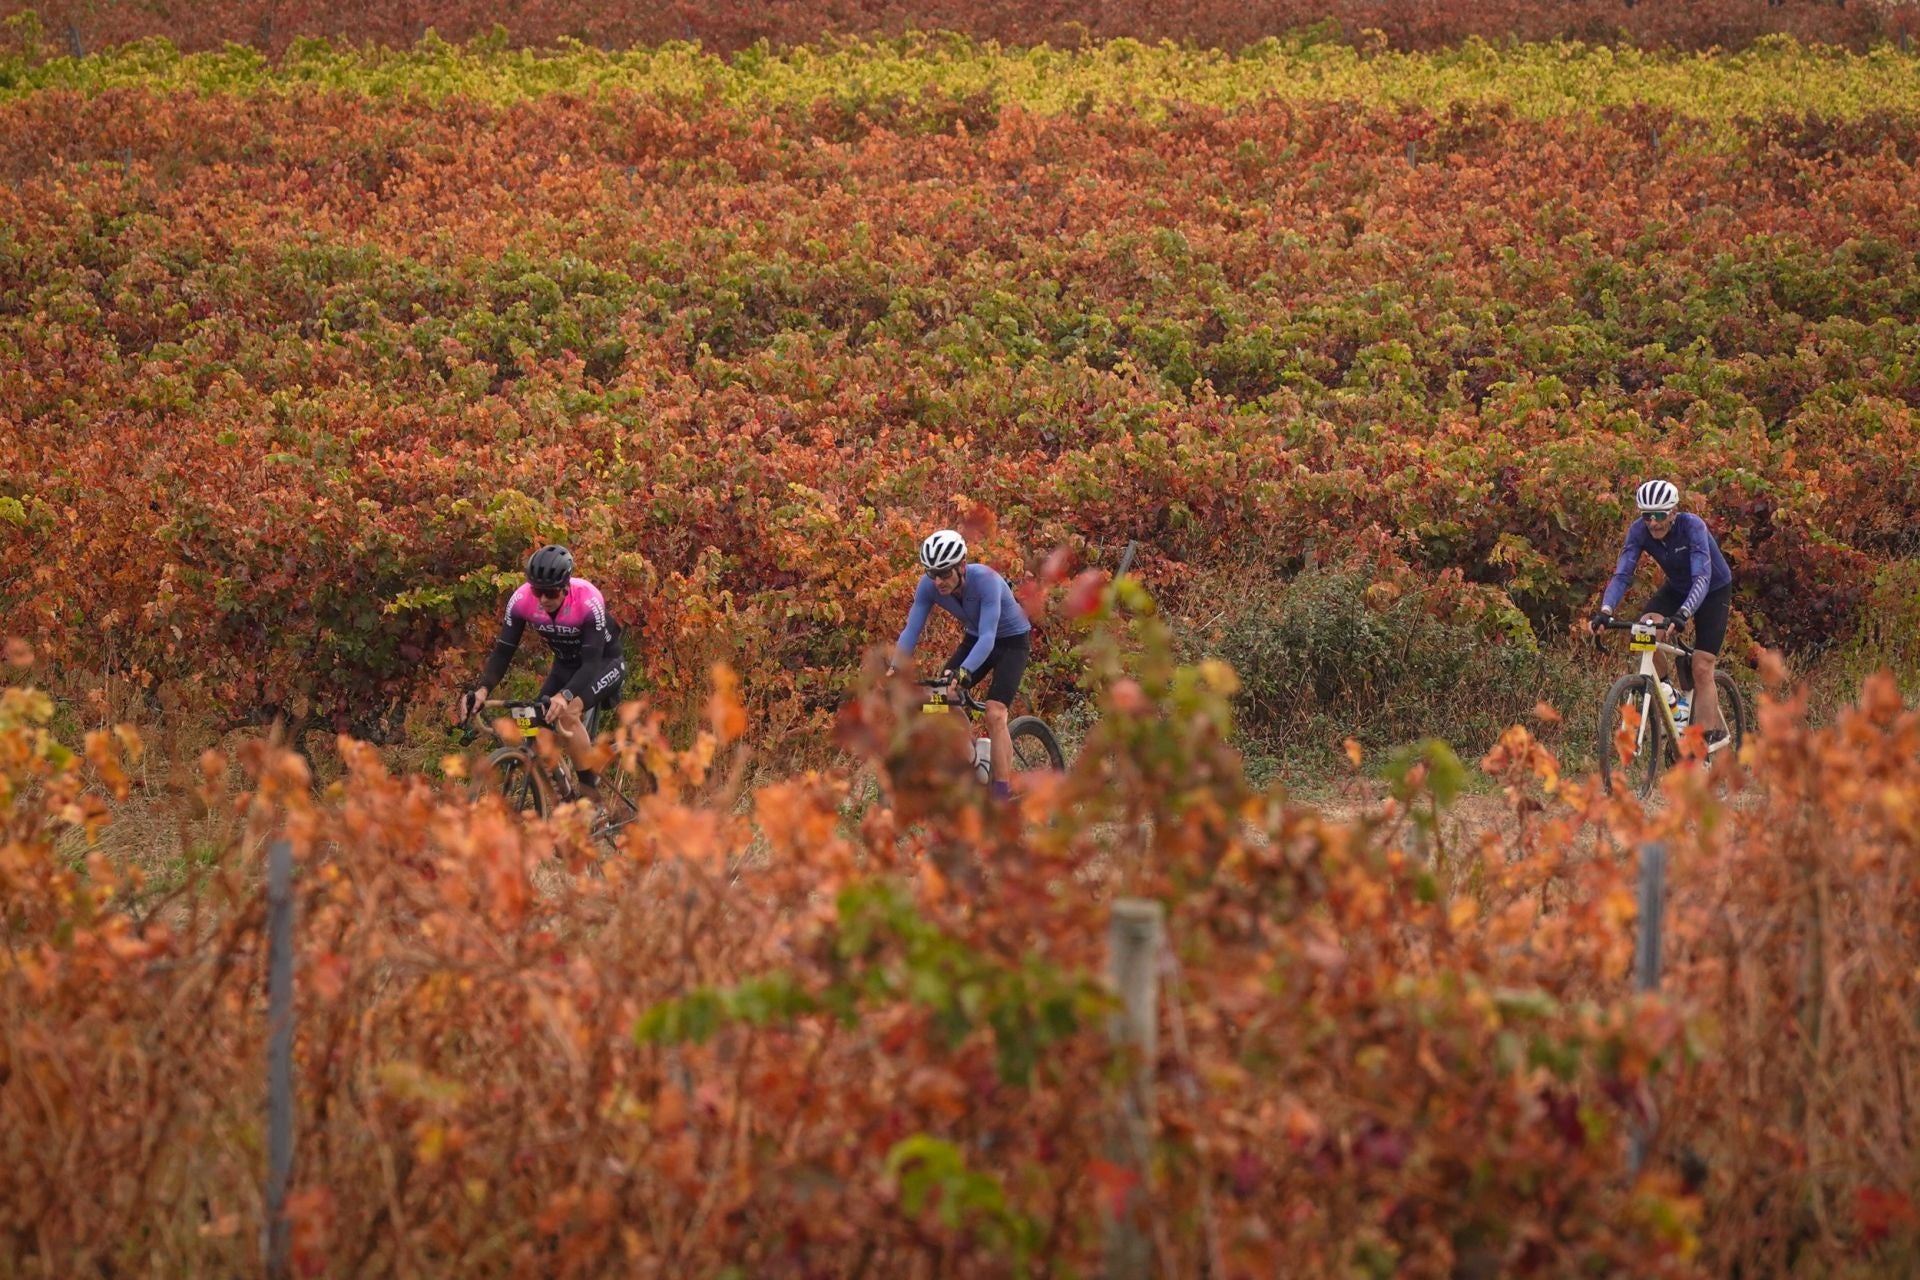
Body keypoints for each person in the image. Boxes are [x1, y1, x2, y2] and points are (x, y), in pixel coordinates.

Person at [454, 544, 626, 804]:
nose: (543, 599)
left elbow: (590, 664)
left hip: (603, 663)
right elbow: (503, 651)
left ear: (566, 587)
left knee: (567, 714)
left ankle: (593, 802)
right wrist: (482, 690)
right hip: (565, 664)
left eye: (550, 592)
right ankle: (565, 796)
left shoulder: (588, 600)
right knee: (535, 720)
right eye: (537, 591)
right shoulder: (522, 600)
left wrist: (566, 695)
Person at [1589, 479, 1735, 746]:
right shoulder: (1640, 531)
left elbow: (1702, 576)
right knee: (1645, 628)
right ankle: (1669, 693)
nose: (1653, 523)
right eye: (1647, 516)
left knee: (1701, 665)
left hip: (1712, 589)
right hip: (1677, 587)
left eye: (1659, 515)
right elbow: (1623, 574)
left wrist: (1683, 614)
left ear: (1673, 512)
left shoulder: (1692, 526)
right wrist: (1605, 611)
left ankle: (1705, 740)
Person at [892, 529, 1033, 800]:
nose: (939, 581)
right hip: (974, 639)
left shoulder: (986, 580)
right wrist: (895, 669)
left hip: (1010, 642)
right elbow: (911, 630)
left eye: (945, 573)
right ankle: (974, 761)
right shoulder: (928, 586)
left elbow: (990, 636)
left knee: (994, 713)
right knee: (939, 701)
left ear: (962, 567)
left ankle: (1002, 795)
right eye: (933, 574)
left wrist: (965, 671)